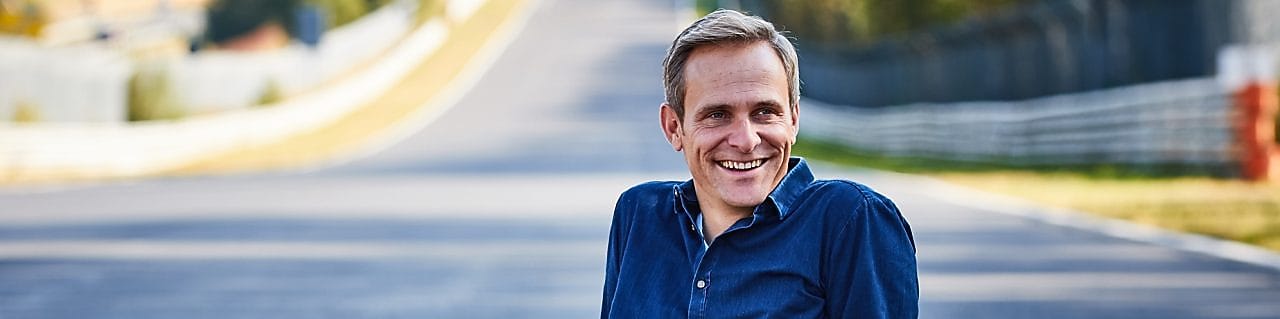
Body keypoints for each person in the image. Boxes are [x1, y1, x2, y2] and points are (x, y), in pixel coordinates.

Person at [600, 9, 918, 318]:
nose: (746, 140)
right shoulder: (639, 215)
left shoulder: (850, 219)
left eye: (764, 112)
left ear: (793, 118)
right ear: (674, 127)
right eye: (717, 115)